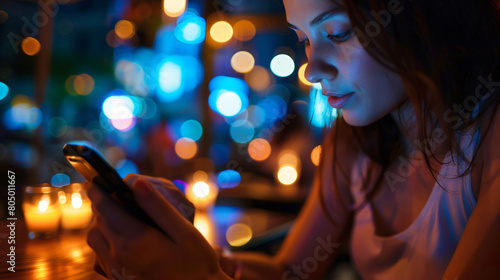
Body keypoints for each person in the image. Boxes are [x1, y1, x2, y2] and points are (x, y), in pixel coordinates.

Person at [85, 0, 500, 279]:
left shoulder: (489, 137)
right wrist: (189, 252)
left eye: (337, 33)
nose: (312, 67)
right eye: (303, 39)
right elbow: (290, 272)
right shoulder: (355, 142)